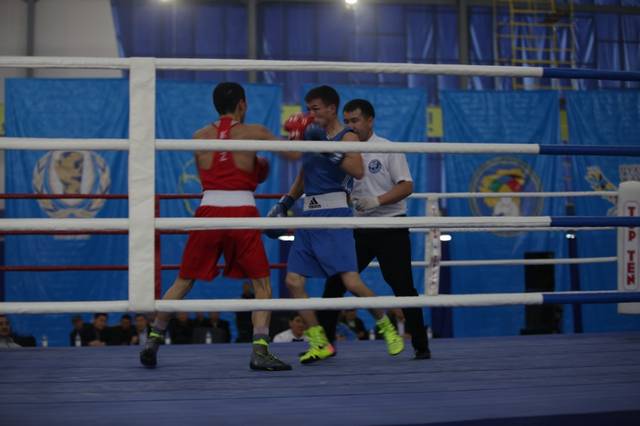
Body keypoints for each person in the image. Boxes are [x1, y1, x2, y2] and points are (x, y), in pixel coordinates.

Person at [140, 82, 290, 371]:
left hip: (208, 211)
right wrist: (297, 138)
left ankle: (153, 338)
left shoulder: (199, 137)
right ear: (242, 104)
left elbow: (215, 173)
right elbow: (292, 156)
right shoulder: (254, 132)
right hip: (242, 212)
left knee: (184, 280)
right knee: (262, 283)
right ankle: (259, 350)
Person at [268, 85, 404, 364]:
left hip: (334, 214)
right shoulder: (310, 133)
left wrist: (328, 149)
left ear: (331, 109)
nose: (311, 113)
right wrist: (285, 202)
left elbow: (357, 170)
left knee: (351, 282)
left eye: (316, 108)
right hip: (308, 216)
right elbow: (303, 172)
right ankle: (320, 342)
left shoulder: (348, 136)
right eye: (308, 108)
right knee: (293, 281)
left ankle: (387, 326)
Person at [318, 99, 431, 360]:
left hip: (391, 226)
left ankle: (421, 345)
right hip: (359, 228)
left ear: (370, 120)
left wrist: (377, 201)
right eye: (347, 121)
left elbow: (407, 186)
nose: (351, 126)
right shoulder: (344, 150)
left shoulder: (387, 148)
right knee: (335, 282)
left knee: (403, 287)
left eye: (355, 120)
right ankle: (325, 344)